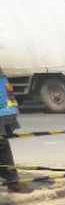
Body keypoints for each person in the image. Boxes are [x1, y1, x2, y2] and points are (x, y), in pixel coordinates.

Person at [0, 65, 33, 196]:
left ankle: (12, 181)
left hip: (3, 108)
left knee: (2, 143)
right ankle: (12, 181)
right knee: (2, 144)